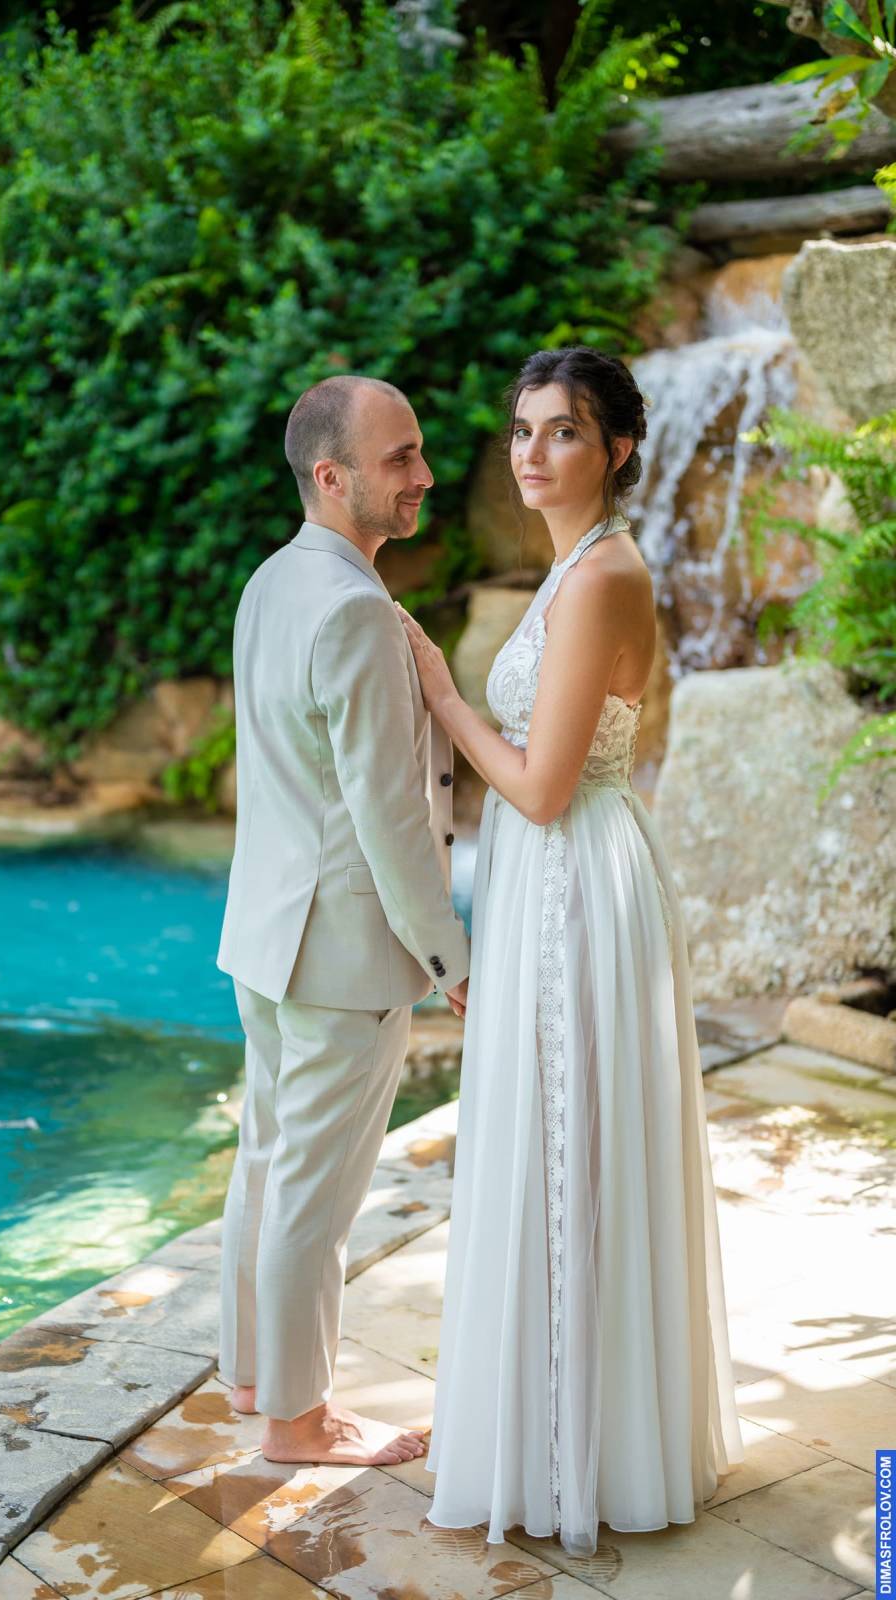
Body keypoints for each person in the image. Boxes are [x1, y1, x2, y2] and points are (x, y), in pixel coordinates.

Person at [397, 346, 744, 1556]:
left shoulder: (600, 577)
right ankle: (556, 1433)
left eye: (561, 431)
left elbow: (542, 787)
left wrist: (442, 697)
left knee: (570, 1143)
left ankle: (574, 1451)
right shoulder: (573, 566)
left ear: (617, 448)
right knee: (551, 1140)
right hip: (550, 872)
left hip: (573, 873)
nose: (531, 452)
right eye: (521, 430)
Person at [216, 373, 470, 1468]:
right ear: (331, 476)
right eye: (398, 457)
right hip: (343, 955)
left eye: (417, 451)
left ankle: (252, 1379)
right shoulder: (358, 609)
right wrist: (449, 956)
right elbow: (387, 813)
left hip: (267, 935)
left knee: (266, 1166)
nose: (424, 475)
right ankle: (298, 1421)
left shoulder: (270, 582)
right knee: (312, 1201)